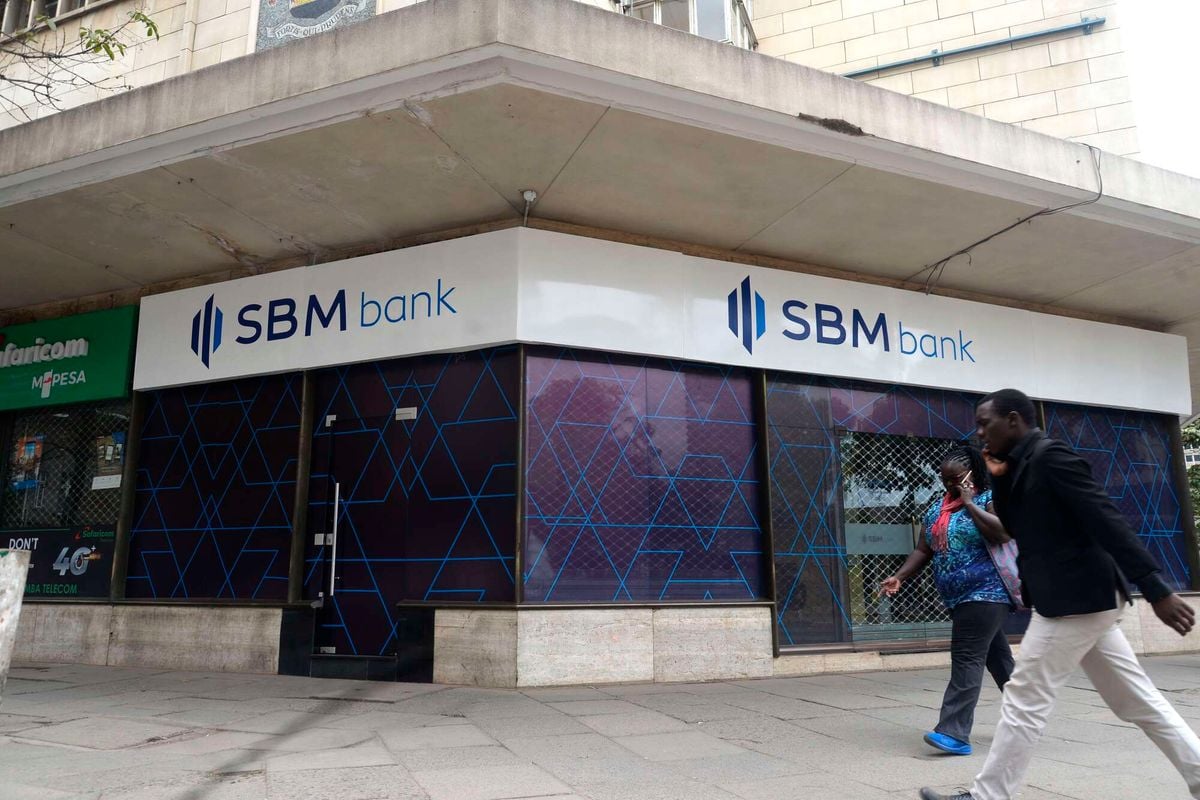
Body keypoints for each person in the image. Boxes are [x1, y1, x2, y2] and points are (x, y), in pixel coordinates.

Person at [919, 388, 1200, 800]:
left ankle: (987, 796)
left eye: (985, 423)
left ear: (1013, 420)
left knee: (1024, 699)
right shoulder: (1018, 466)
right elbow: (1011, 528)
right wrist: (1001, 477)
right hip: (1080, 601)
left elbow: (1106, 520)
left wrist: (1156, 588)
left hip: (1075, 601)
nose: (979, 433)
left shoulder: (1053, 458)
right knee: (1137, 701)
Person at [880, 443, 1016, 757]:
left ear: (972, 474)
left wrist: (969, 503)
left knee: (967, 657)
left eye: (955, 478)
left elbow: (1002, 533)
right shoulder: (937, 510)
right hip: (958, 597)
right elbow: (923, 549)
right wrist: (900, 576)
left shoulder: (989, 499)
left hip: (986, 592)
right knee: (998, 659)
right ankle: (1029, 714)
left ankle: (954, 733)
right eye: (944, 479)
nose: (949, 484)